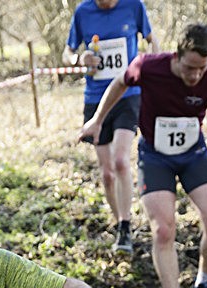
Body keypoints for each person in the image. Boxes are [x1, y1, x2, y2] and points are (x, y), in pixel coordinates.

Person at [80, 23, 207, 288]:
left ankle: (203, 283)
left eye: (201, 68)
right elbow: (119, 84)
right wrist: (97, 120)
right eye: (190, 68)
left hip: (194, 154)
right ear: (177, 55)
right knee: (163, 230)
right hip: (155, 156)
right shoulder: (149, 66)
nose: (195, 76)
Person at [63, 0, 158, 254]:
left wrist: (153, 66)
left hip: (128, 95)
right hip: (95, 98)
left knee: (121, 161)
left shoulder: (133, 6)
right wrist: (79, 59)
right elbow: (68, 52)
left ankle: (126, 226)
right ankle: (119, 224)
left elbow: (151, 39)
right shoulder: (83, 12)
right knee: (106, 174)